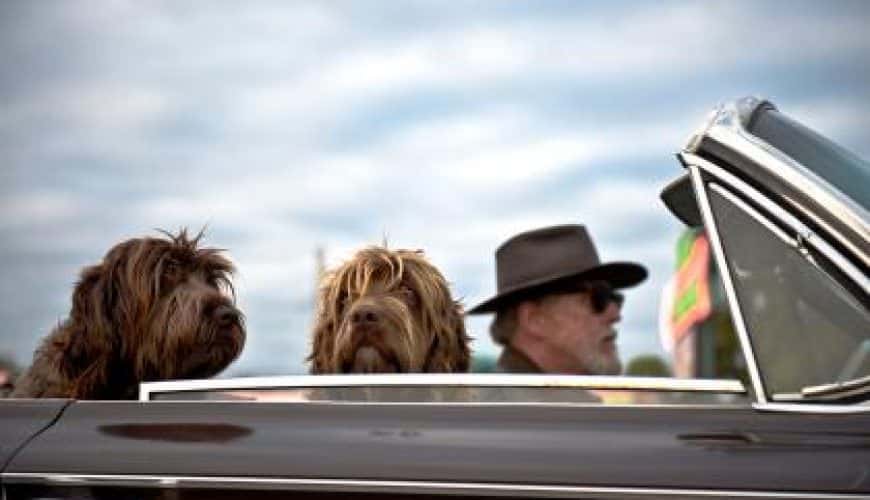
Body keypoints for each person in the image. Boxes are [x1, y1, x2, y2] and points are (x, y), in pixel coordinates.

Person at [468, 224, 647, 375]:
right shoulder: (502, 414)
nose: (615, 314)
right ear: (534, 319)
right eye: (598, 297)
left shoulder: (553, 408)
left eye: (614, 297)